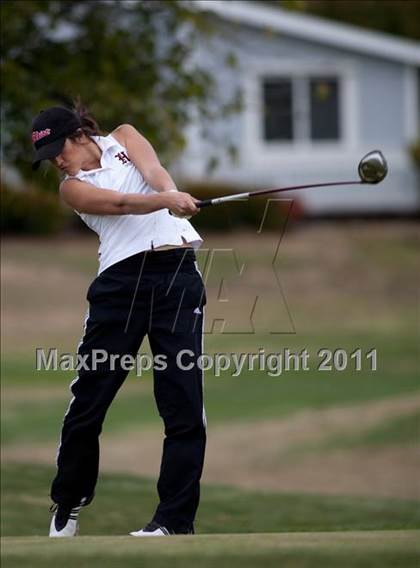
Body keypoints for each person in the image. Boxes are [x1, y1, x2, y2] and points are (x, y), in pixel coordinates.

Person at [31, 102, 207, 537]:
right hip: (119, 288)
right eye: (48, 155)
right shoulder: (71, 188)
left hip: (176, 278)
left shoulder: (125, 136)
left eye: (58, 148)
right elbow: (124, 202)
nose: (56, 159)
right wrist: (166, 200)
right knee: (90, 400)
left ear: (77, 134)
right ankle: (68, 502)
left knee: (182, 403)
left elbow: (155, 173)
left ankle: (174, 521)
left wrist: (173, 197)